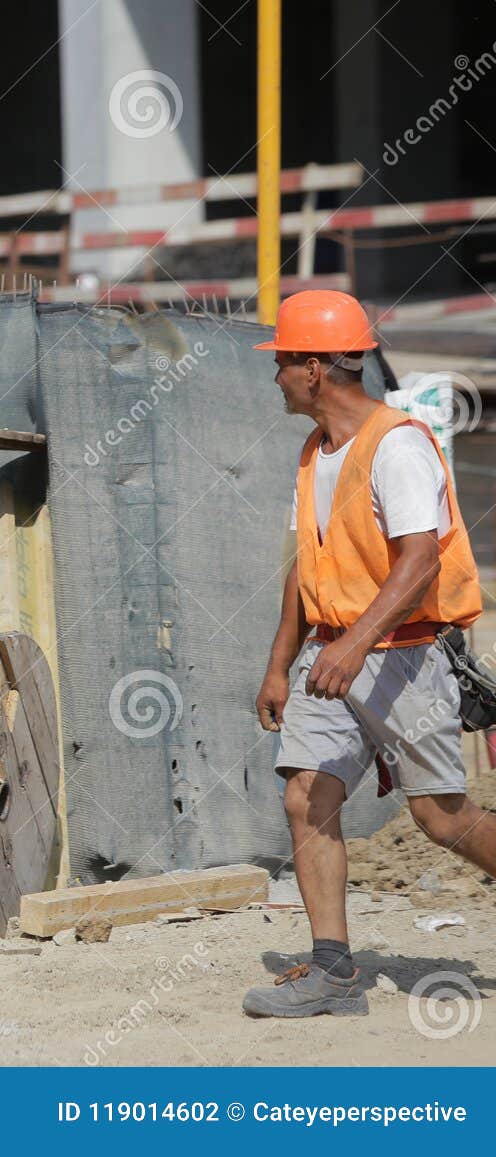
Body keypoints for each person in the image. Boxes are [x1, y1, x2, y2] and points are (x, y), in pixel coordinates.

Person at [247, 289, 496, 1017]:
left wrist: (355, 644)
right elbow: (308, 564)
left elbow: (419, 560)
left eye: (284, 362)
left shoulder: (399, 444)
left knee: (443, 818)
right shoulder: (316, 451)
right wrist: (277, 663)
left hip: (403, 657)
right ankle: (334, 971)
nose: (277, 377)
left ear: (316, 368)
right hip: (334, 655)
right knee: (307, 795)